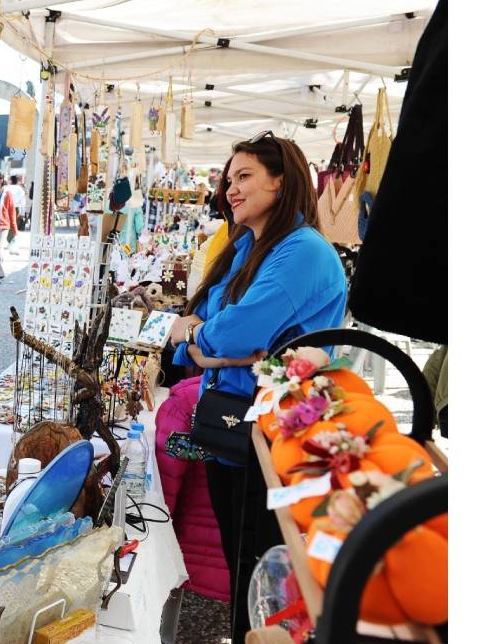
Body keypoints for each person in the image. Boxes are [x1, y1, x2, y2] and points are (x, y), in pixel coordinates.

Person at [166, 133, 347, 642]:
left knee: (267, 569)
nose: (230, 189)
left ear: (281, 181)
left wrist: (208, 339)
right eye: (228, 179)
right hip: (234, 430)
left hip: (273, 437)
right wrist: (209, 341)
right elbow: (195, 335)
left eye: (243, 176)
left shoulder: (303, 252)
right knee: (242, 561)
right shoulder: (247, 247)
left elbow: (230, 331)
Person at [3, 174, 29, 244]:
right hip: (16, 208)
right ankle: (10, 240)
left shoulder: (6, 187)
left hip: (6, 207)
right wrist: (22, 212)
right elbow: (23, 202)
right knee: (13, 224)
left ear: (11, 180)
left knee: (5, 223)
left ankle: (4, 238)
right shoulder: (20, 189)